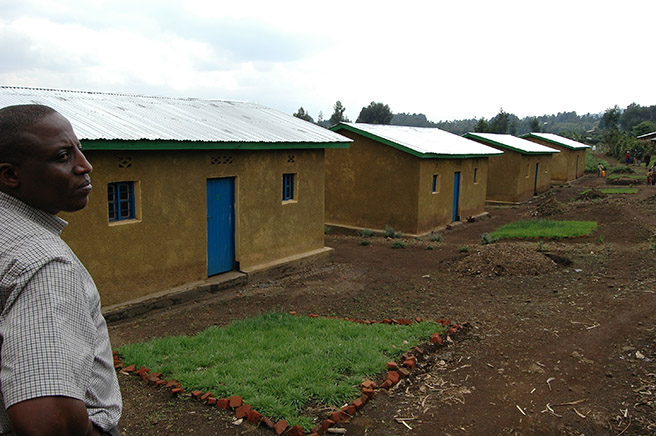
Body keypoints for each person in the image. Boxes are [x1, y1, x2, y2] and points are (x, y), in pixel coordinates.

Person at [0, 105, 122, 436]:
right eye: (62, 157)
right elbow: (49, 420)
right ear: (10, 175)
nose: (85, 166)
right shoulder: (43, 262)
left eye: (79, 149)